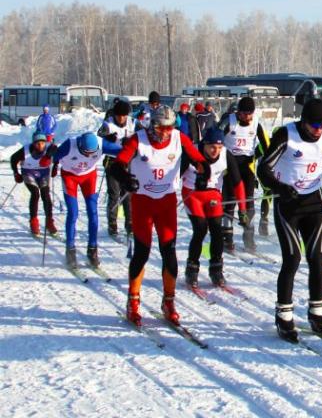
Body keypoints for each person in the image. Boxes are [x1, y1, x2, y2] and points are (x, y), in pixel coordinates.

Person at [257, 99, 322, 341]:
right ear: (303, 122)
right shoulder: (287, 135)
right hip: (288, 204)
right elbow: (264, 169)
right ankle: (284, 315)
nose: (318, 130)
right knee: (292, 258)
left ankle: (317, 313)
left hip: (313, 203)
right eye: (314, 125)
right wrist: (281, 188)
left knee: (317, 258)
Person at [109, 105, 210, 327]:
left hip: (166, 202)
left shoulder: (178, 138)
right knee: (142, 253)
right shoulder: (138, 140)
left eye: (169, 127)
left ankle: (169, 301)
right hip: (143, 202)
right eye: (160, 127)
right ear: (151, 125)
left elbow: (200, 161)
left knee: (169, 252)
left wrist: (203, 175)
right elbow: (116, 167)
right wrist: (126, 179)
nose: (164, 132)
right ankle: (133, 302)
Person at [181, 127, 247, 289]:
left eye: (219, 147)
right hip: (193, 194)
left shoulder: (226, 155)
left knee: (217, 231)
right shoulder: (192, 153)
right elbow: (174, 174)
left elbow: (238, 183)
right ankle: (192, 269)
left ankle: (216, 269)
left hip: (213, 196)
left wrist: (243, 209)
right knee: (200, 229)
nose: (215, 151)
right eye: (212, 147)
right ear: (204, 144)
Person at [54, 132, 121, 268]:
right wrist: (51, 155)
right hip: (70, 176)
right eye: (86, 153)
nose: (90, 156)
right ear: (80, 147)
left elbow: (124, 151)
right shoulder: (69, 145)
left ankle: (92, 250)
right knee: (73, 213)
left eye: (93, 153)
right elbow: (51, 157)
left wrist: (129, 143)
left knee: (93, 212)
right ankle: (70, 250)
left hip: (89, 177)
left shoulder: (101, 144)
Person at [216, 96, 269, 253]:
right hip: (228, 164)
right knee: (229, 200)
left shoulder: (256, 123)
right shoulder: (229, 120)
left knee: (249, 202)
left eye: (249, 113)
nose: (245, 116)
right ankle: (227, 237)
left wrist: (255, 157)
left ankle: (248, 236)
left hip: (247, 166)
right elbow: (216, 136)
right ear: (238, 112)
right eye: (242, 113)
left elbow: (266, 146)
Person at [98, 99, 136, 236]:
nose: (121, 118)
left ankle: (130, 223)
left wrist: (131, 142)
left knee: (127, 193)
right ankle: (112, 223)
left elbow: (142, 137)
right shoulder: (108, 124)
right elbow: (98, 139)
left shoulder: (132, 123)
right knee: (114, 193)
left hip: (128, 161)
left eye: (123, 115)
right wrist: (108, 138)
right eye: (119, 115)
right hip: (112, 162)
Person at [10, 132, 59, 236]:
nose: (40, 146)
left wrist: (55, 167)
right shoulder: (25, 150)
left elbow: (57, 153)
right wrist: (16, 173)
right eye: (37, 143)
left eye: (42, 143)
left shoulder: (49, 147)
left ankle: (49, 222)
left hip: (43, 173)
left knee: (46, 194)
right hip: (29, 172)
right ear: (33, 144)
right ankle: (34, 222)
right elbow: (13, 159)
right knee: (35, 193)